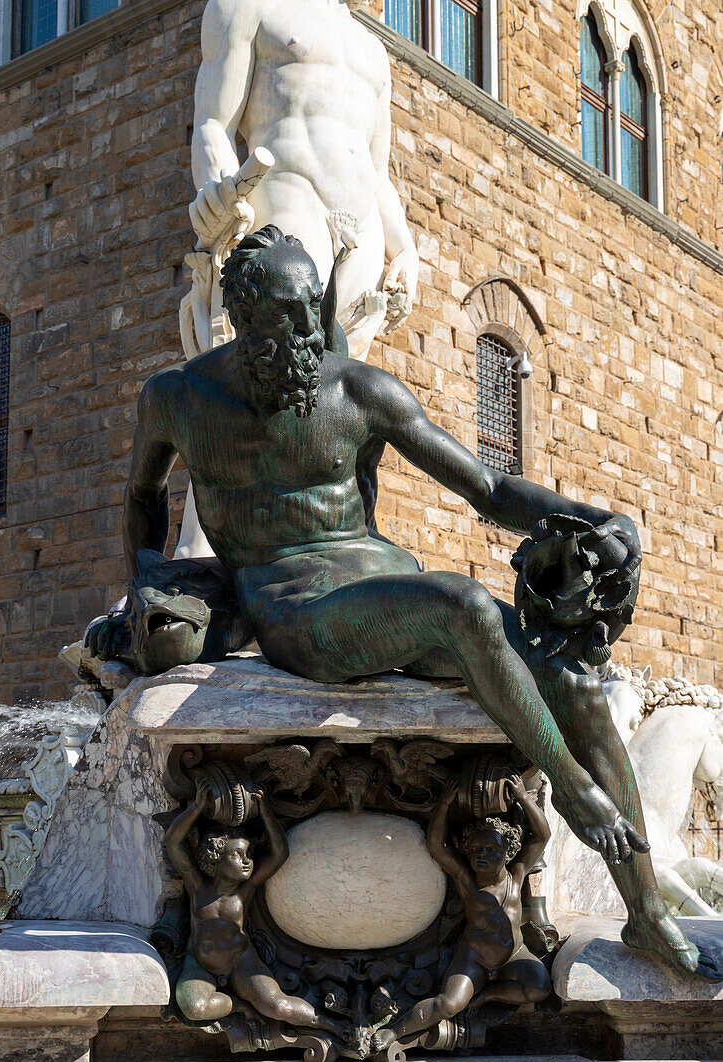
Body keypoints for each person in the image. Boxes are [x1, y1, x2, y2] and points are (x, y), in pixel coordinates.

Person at [115, 225, 717, 980]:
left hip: (385, 591)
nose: (310, 331)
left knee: (572, 678)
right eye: (290, 316)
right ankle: (573, 792)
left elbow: (488, 489)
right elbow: (140, 497)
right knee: (462, 604)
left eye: (313, 310)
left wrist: (590, 520)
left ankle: (647, 915)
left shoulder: (358, 391)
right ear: (245, 316)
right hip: (298, 611)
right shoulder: (178, 397)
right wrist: (147, 580)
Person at [177, 0, 419, 556]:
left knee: (341, 403)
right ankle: (198, 552)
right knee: (252, 383)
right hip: (287, 195)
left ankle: (332, 548)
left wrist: (404, 247)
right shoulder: (245, 5)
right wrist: (216, 192)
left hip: (361, 228)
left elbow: (378, 173)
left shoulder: (372, 49)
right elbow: (213, 123)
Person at [372, 774, 552, 1052]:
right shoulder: (467, 881)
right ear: (467, 852)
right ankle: (394, 1031)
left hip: (514, 955)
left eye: (492, 849)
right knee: (448, 1003)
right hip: (474, 960)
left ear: (508, 852)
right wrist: (444, 803)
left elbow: (542, 836)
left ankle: (486, 995)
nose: (483, 855)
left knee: (540, 988)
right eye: (477, 849)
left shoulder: (516, 876)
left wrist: (524, 798)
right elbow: (437, 845)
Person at [165, 777, 346, 1034]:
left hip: (242, 964)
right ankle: (237, 1005)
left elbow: (279, 852)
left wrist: (266, 813)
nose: (247, 860)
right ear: (216, 858)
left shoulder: (244, 891)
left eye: (248, 854)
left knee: (279, 1006)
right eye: (237, 855)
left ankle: (331, 1025)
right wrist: (195, 807)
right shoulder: (198, 886)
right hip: (199, 965)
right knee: (194, 1008)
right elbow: (173, 842)